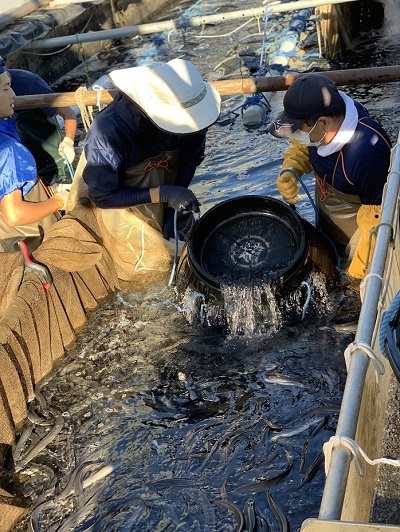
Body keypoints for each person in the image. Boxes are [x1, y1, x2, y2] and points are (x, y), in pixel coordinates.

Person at [267, 73, 391, 281]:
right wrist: (291, 168)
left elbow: (376, 225)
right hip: (330, 224)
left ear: (323, 122)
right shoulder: (331, 116)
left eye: (299, 129)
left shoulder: (367, 154)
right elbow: (302, 145)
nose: (295, 135)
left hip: (357, 241)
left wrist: (353, 275)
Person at [82, 58, 221, 241]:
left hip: (169, 201)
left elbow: (190, 159)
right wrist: (163, 194)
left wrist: (174, 202)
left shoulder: (193, 117)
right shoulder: (108, 132)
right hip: (124, 213)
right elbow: (103, 196)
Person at [0, 59, 69, 253]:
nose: (13, 94)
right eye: (6, 89)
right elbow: (14, 215)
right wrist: (60, 200)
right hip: (31, 249)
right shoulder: (8, 149)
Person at [9, 68, 77, 186]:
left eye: (7, 87)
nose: (10, 94)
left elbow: (67, 112)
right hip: (19, 170)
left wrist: (69, 141)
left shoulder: (29, 83)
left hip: (54, 163)